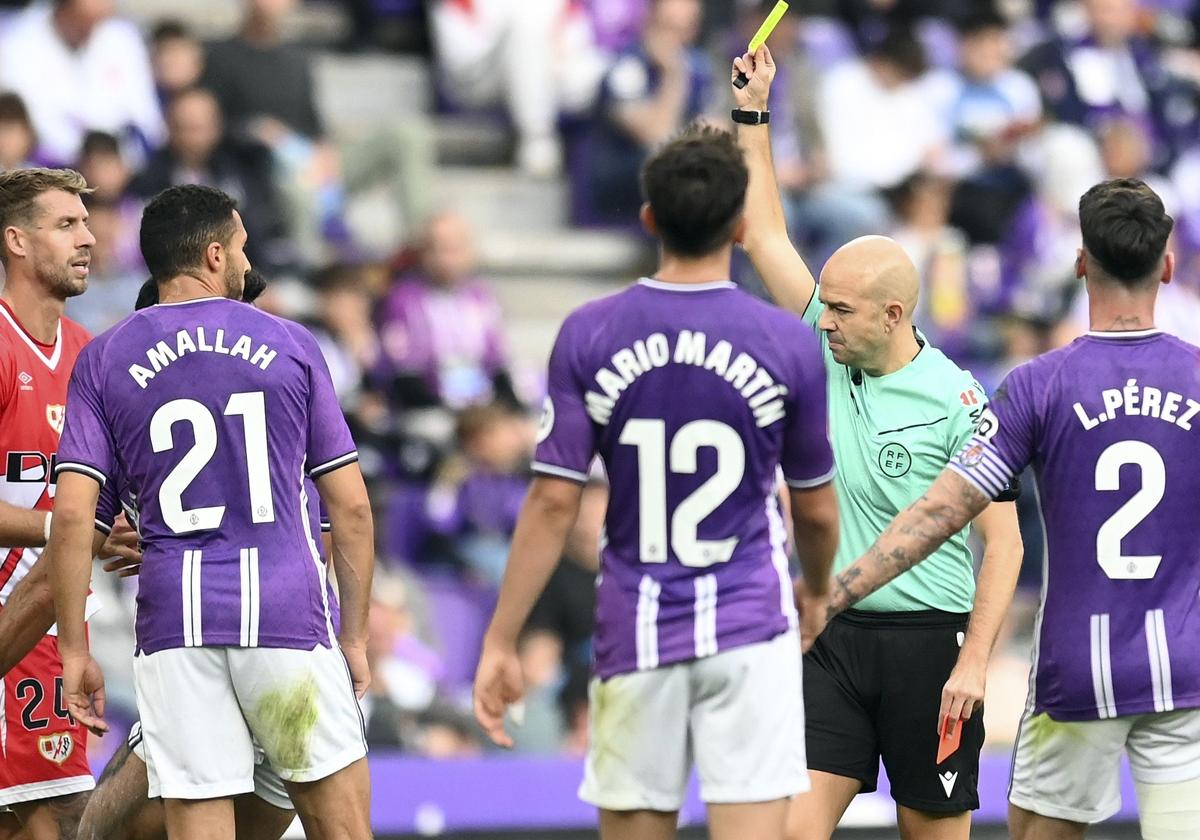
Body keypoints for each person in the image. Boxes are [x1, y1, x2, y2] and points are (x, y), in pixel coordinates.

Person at [473, 123, 841, 840]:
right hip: (750, 624)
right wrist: (819, 590)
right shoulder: (790, 342)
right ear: (741, 226)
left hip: (635, 630)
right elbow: (818, 510)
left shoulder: (589, 332)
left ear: (648, 219)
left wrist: (500, 638)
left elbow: (553, 501)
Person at [821, 179, 1200, 839]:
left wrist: (831, 597)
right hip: (1188, 666)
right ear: (1167, 267)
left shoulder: (1038, 385)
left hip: (1078, 670)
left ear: (1081, 263)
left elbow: (937, 514)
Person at [731, 47, 1024, 840]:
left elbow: (1004, 544)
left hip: (932, 647)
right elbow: (761, 233)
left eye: (842, 311)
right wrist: (754, 112)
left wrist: (974, 665)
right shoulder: (823, 348)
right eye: (822, 306)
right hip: (833, 633)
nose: (822, 321)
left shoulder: (961, 400)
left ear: (892, 317)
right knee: (792, 831)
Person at [47, 184, 375, 840]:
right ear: (215, 253)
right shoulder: (290, 344)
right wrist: (356, 636)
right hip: (284, 615)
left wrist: (75, 648)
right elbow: (353, 510)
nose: (250, 263)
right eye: (244, 248)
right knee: (340, 827)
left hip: (175, 626)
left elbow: (75, 517)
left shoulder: (104, 357)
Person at [0, 167, 138, 839]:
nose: (88, 238)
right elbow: (70, 519)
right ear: (16, 242)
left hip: (57, 627)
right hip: (7, 618)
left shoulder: (91, 355)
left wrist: (125, 530)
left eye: (86, 223)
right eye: (66, 225)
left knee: (54, 814)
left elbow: (99, 504)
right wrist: (72, 529)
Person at [0, 0, 164, 166]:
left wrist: (117, 157)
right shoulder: (17, 41)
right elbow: (29, 120)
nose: (90, 29)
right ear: (62, 9)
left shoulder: (121, 36)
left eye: (98, 20)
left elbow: (146, 119)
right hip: (48, 166)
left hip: (120, 166)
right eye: (83, 19)